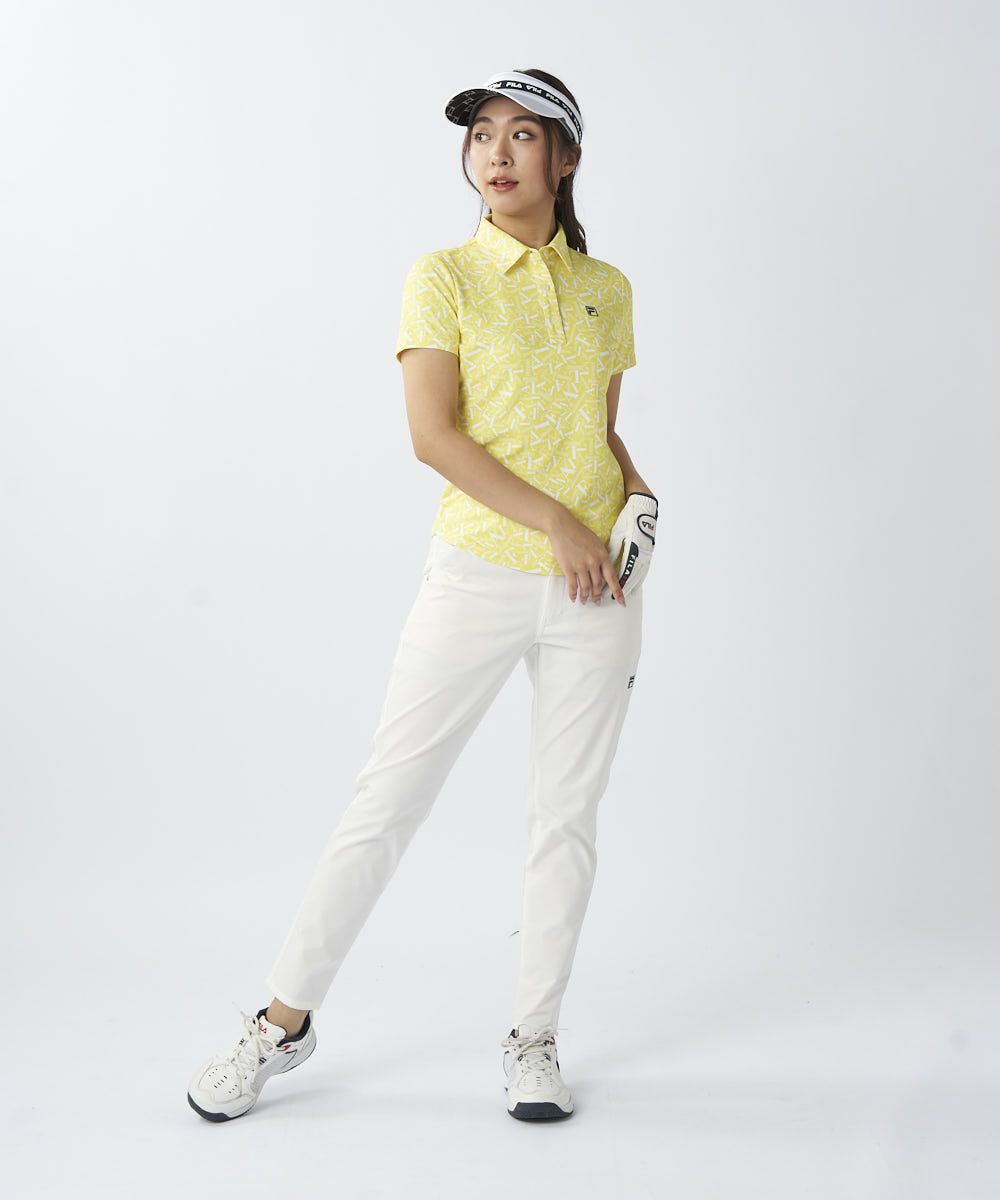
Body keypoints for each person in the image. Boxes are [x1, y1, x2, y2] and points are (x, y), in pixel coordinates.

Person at [187, 66, 658, 1125]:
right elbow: (432, 436)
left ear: (566, 159)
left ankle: (533, 1039)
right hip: (480, 572)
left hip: (598, 583)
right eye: (482, 134)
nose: (496, 152)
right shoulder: (443, 275)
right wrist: (555, 521)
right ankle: (279, 1025)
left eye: (523, 135)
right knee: (386, 801)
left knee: (566, 819)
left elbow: (598, 428)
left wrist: (633, 492)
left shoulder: (608, 287)